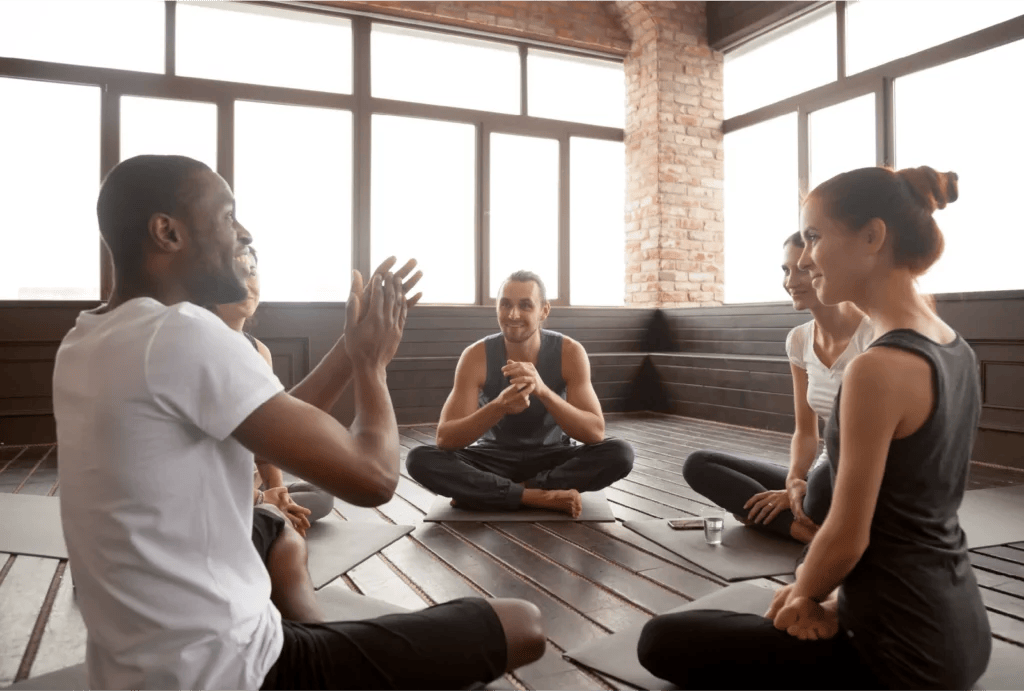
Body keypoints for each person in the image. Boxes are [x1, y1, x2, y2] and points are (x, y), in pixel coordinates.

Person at [53, 154, 546, 690]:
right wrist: (371, 366)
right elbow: (374, 479)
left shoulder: (86, 339)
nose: (242, 232)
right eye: (226, 216)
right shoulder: (181, 334)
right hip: (233, 672)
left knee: (271, 525)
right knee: (523, 624)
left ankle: (314, 630)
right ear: (166, 232)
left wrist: (348, 348)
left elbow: (272, 425)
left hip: (129, 673)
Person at [637, 165, 991, 690]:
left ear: (872, 236)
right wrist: (826, 595)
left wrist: (800, 594)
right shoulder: (953, 346)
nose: (803, 259)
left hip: (896, 652)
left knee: (660, 640)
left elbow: (848, 536)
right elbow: (904, 515)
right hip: (960, 633)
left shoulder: (878, 366)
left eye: (814, 238)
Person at [681, 232, 874, 543]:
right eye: (786, 270)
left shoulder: (874, 337)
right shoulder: (798, 340)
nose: (791, 281)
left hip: (864, 479)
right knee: (699, 465)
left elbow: (876, 448)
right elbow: (806, 432)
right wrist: (795, 480)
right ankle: (801, 529)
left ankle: (788, 519)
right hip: (823, 473)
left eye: (804, 269)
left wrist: (809, 488)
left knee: (813, 492)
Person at [406, 270, 634, 518]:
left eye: (525, 305)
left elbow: (594, 432)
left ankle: (503, 493)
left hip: (552, 457)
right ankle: (536, 497)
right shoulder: (475, 356)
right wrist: (499, 406)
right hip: (494, 458)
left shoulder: (570, 352)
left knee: (620, 453)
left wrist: (544, 391)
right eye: (505, 304)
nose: (513, 315)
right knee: (419, 459)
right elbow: (446, 439)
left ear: (544, 311)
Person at [213, 245, 334, 534]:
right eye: (234, 274)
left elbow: (267, 444)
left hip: (247, 479)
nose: (246, 284)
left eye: (251, 272)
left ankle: (268, 515)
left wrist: (278, 494)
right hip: (212, 485)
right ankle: (262, 516)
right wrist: (260, 497)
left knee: (321, 494)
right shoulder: (201, 347)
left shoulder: (259, 351)